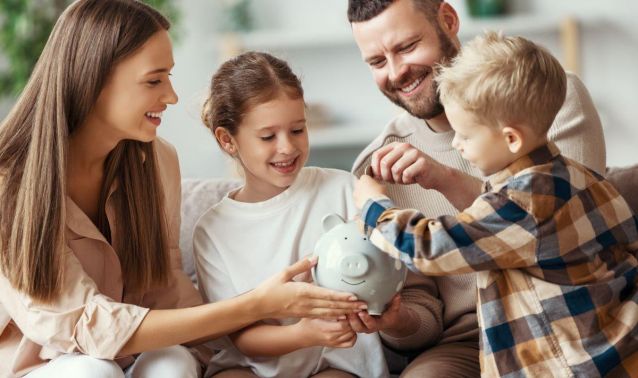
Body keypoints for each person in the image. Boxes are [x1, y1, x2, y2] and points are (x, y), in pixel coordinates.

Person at [0, 2, 365, 377]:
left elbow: (166, 289)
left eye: (169, 77)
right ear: (95, 79)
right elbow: (85, 326)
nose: (173, 96)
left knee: (173, 363)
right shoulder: (10, 181)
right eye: (154, 80)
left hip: (130, 352)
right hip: (45, 362)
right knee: (93, 371)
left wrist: (260, 330)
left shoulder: (156, 162)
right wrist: (257, 305)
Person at [353, 31, 638, 377]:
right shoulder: (577, 178)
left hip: (567, 364)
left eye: (466, 135)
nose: (456, 143)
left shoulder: (524, 203)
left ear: (511, 138)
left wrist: (374, 207)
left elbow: (429, 246)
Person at [193, 51, 389, 378]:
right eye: (268, 137)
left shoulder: (341, 189)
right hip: (253, 365)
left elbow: (388, 247)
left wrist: (377, 211)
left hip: (336, 362)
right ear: (228, 140)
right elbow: (243, 337)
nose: (287, 147)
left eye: (297, 130)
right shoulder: (213, 231)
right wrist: (303, 334)